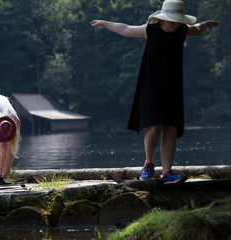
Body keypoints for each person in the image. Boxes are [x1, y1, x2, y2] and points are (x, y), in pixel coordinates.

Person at [90, 0, 219, 184]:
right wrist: (105, 23)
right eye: (172, 20)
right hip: (150, 83)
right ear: (163, 19)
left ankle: (167, 173)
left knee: (171, 127)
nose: (175, 23)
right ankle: (149, 163)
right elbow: (126, 29)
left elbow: (196, 29)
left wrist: (206, 25)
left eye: (178, 20)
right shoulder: (151, 29)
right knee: (155, 125)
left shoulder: (182, 30)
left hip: (172, 85)